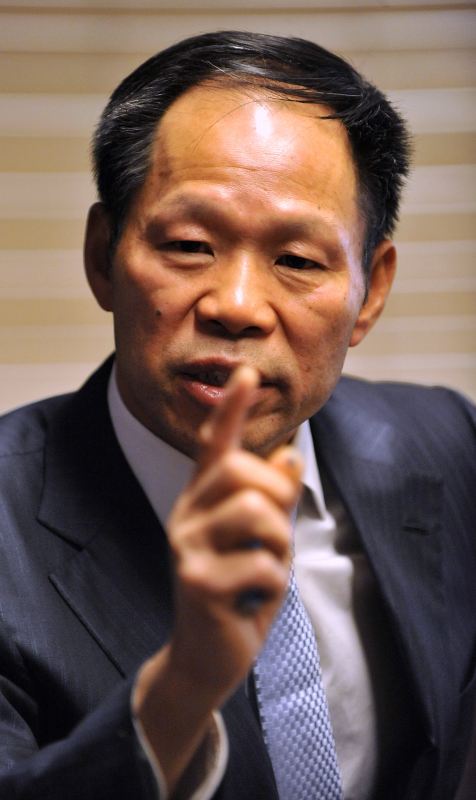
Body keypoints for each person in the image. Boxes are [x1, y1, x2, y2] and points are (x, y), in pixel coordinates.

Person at [0, 30, 474, 800]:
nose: (238, 306)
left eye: (298, 260)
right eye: (190, 245)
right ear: (102, 255)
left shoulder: (451, 445)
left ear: (372, 293)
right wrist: (185, 684)